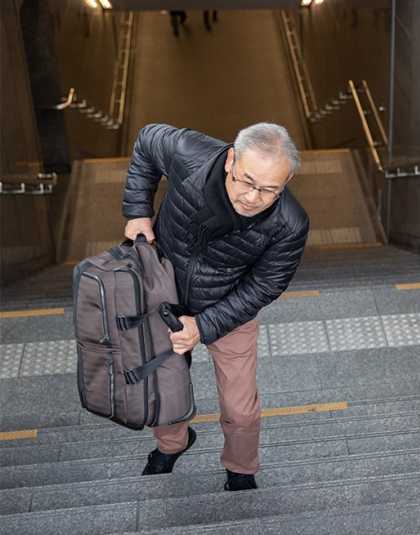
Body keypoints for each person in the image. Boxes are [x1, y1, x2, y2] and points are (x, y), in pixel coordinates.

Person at [122, 123, 310, 491]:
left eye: (270, 189)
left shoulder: (290, 223)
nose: (254, 197)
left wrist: (203, 327)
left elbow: (266, 284)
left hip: (229, 307)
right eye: (247, 181)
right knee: (161, 388)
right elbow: (146, 141)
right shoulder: (190, 155)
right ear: (230, 161)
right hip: (163, 294)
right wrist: (137, 210)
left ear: (285, 183)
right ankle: (173, 443)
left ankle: (241, 468)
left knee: (240, 408)